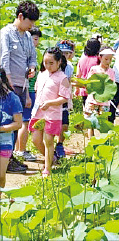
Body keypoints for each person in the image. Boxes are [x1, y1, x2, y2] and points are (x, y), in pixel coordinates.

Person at [0, 1, 39, 174]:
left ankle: (9, 158)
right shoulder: (6, 34)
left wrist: (32, 67)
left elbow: (32, 57)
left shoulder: (28, 37)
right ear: (21, 17)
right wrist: (7, 86)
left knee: (16, 123)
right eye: (30, 22)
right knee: (7, 123)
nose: (32, 26)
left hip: (22, 85)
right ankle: (5, 160)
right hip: (8, 86)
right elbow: (4, 60)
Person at [29, 47, 70, 177]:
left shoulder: (62, 77)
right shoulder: (41, 74)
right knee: (36, 140)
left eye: (51, 63)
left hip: (52, 114)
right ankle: (51, 158)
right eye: (45, 62)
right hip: (39, 112)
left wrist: (50, 103)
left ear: (59, 62)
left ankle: (47, 168)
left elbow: (64, 97)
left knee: (48, 140)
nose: (47, 66)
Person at [15, 26, 42, 162]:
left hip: (27, 90)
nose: (36, 42)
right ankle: (21, 150)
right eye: (35, 39)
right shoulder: (27, 54)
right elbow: (26, 78)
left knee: (21, 121)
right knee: (24, 122)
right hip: (27, 91)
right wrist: (27, 96)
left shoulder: (29, 52)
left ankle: (18, 149)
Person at [0, 68, 23, 189]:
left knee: (1, 176)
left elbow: (18, 124)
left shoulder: (12, 98)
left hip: (5, 140)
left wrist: (1, 128)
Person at [84, 47, 115, 137]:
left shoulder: (111, 72)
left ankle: (103, 140)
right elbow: (89, 83)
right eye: (106, 59)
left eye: (110, 59)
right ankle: (91, 140)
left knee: (103, 121)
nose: (108, 62)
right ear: (100, 58)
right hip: (93, 99)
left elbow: (112, 86)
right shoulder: (94, 69)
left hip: (105, 101)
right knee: (90, 122)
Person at [55, 40, 75, 158]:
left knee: (65, 123)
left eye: (67, 53)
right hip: (54, 96)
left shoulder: (70, 67)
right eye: (62, 53)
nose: (65, 55)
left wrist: (70, 97)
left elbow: (69, 81)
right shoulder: (53, 64)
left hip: (65, 97)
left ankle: (60, 144)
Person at [75, 38, 101, 106]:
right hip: (94, 90)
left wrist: (77, 89)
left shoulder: (82, 59)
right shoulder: (97, 60)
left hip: (83, 88)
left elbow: (78, 75)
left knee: (86, 110)